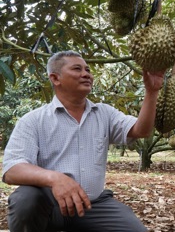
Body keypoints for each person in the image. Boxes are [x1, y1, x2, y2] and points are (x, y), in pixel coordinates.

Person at [1, 50, 165, 232]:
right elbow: (12, 169)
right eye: (77, 69)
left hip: (93, 205)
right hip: (48, 205)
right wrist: (55, 178)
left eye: (87, 69)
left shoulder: (104, 113)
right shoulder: (33, 120)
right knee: (25, 198)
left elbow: (141, 130)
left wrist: (152, 91)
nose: (86, 74)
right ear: (55, 78)